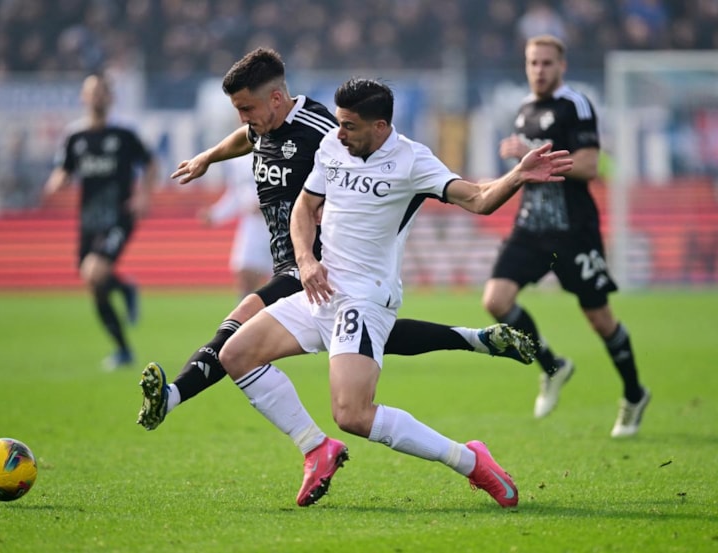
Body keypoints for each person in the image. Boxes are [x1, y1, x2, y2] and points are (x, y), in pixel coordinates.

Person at [215, 77, 573, 508]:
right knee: (235, 355)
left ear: (380, 126)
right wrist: (306, 261)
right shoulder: (331, 147)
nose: (339, 133)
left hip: (364, 299)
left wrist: (517, 175)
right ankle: (315, 447)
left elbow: (479, 198)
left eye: (350, 126)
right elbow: (304, 208)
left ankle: (472, 461)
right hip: (321, 290)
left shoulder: (412, 161)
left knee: (352, 414)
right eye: (339, 123)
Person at [136, 48, 536, 432]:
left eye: (246, 108)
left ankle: (173, 397)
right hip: (292, 258)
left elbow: (366, 168)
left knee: (236, 331)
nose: (243, 118)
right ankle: (473, 339)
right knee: (368, 336)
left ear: (275, 98)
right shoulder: (263, 126)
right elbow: (247, 138)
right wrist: (208, 156)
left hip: (319, 263)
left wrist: (348, 225)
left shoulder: (327, 132)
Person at [481, 35, 651, 437]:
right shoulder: (524, 110)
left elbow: (590, 166)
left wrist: (531, 154)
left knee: (599, 319)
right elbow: (525, 173)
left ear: (562, 66)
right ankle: (552, 366)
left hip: (573, 232)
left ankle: (634, 393)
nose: (539, 70)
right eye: (533, 63)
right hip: (530, 228)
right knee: (496, 300)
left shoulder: (576, 105)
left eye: (547, 63)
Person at [45, 73, 158, 370]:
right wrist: (57, 180)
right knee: (93, 282)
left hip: (119, 215)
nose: (96, 97)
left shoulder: (124, 133)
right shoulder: (75, 136)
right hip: (89, 218)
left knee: (94, 271)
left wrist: (143, 196)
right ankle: (123, 346)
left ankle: (122, 291)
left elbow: (150, 163)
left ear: (110, 97)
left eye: (101, 91)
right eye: (91, 91)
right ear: (83, 97)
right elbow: (64, 168)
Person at [199, 153, 272, 298]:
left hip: (282, 224)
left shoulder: (283, 150)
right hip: (252, 226)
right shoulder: (238, 161)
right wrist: (215, 214)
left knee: (283, 281)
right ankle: (244, 312)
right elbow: (235, 195)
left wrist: (269, 205)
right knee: (245, 274)